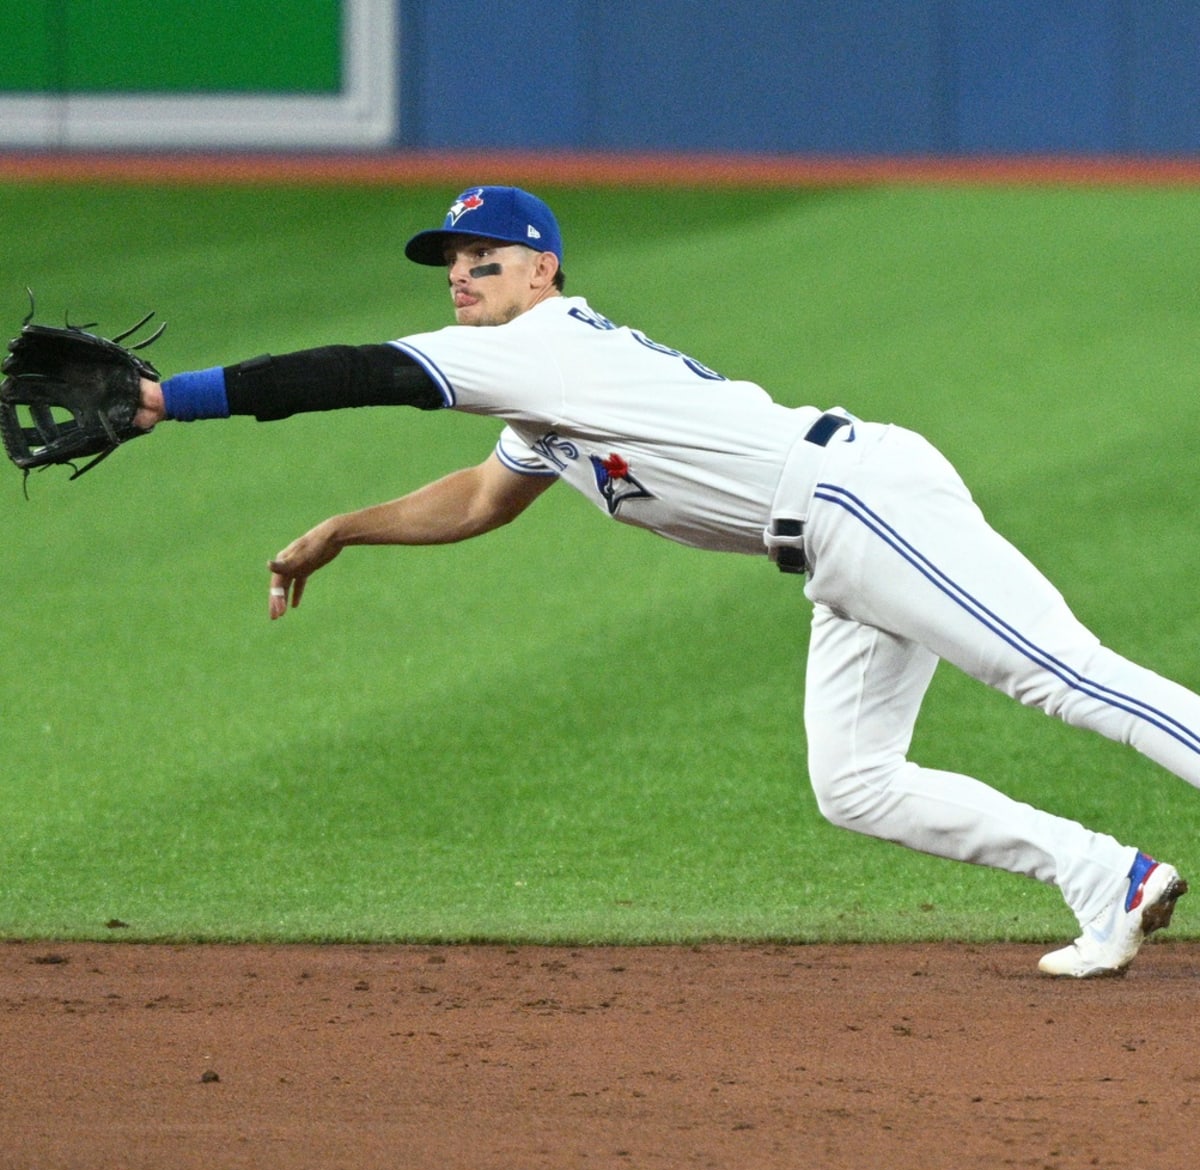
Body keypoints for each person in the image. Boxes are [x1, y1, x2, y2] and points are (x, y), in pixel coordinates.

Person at [135, 185, 1192, 978]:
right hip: (832, 541)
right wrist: (344, 531)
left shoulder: (541, 346)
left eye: (485, 258)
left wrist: (169, 399)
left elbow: (357, 372)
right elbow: (477, 501)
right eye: (451, 261)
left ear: (542, 271)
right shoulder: (538, 390)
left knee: (1064, 677)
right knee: (857, 784)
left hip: (858, 502)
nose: (461, 275)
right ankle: (1108, 875)